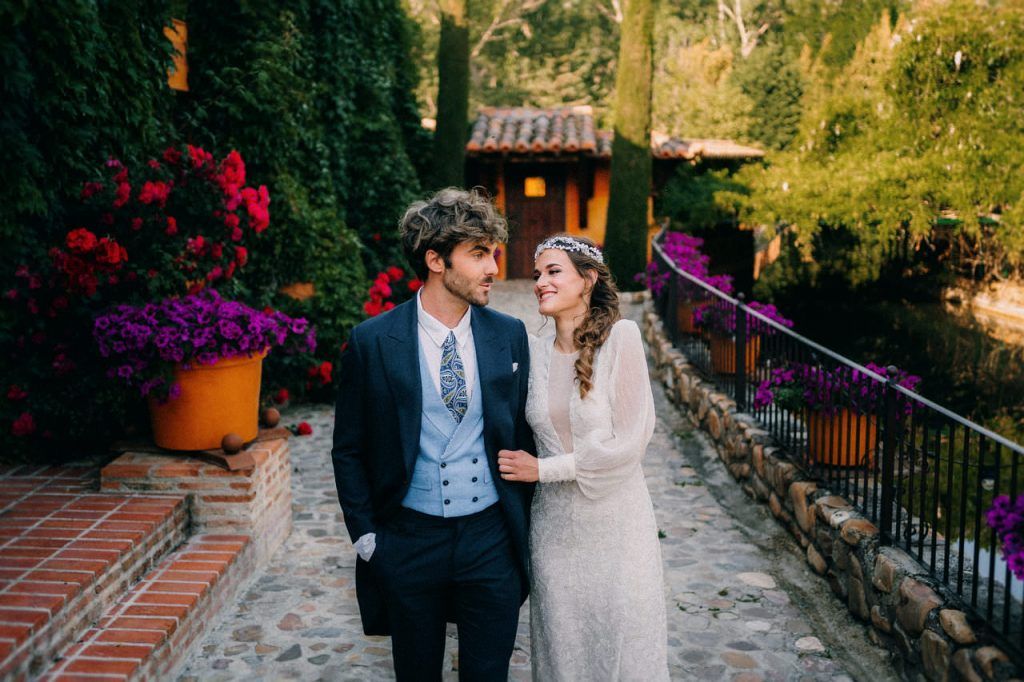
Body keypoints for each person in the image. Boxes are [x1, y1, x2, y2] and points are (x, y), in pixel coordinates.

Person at [331, 188, 535, 681]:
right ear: (435, 259)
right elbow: (348, 448)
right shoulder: (373, 340)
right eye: (479, 254)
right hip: (410, 541)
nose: (493, 268)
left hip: (490, 539)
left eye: (494, 253)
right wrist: (368, 541)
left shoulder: (508, 333)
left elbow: (524, 431)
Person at [498, 233, 669, 681]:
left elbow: (631, 442)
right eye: (537, 274)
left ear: (588, 279)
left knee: (621, 646)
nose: (540, 282)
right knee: (562, 651)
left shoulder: (621, 339)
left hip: (616, 528)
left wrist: (543, 469)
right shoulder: (532, 353)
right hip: (552, 533)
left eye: (554, 272)